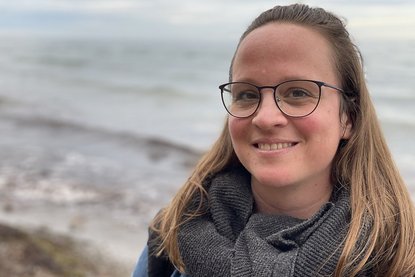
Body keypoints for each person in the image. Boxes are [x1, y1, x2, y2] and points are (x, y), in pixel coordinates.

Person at [133, 3, 415, 277]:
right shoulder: (173, 233)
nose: (265, 118)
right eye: (247, 94)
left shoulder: (399, 254)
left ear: (348, 117)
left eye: (298, 93)